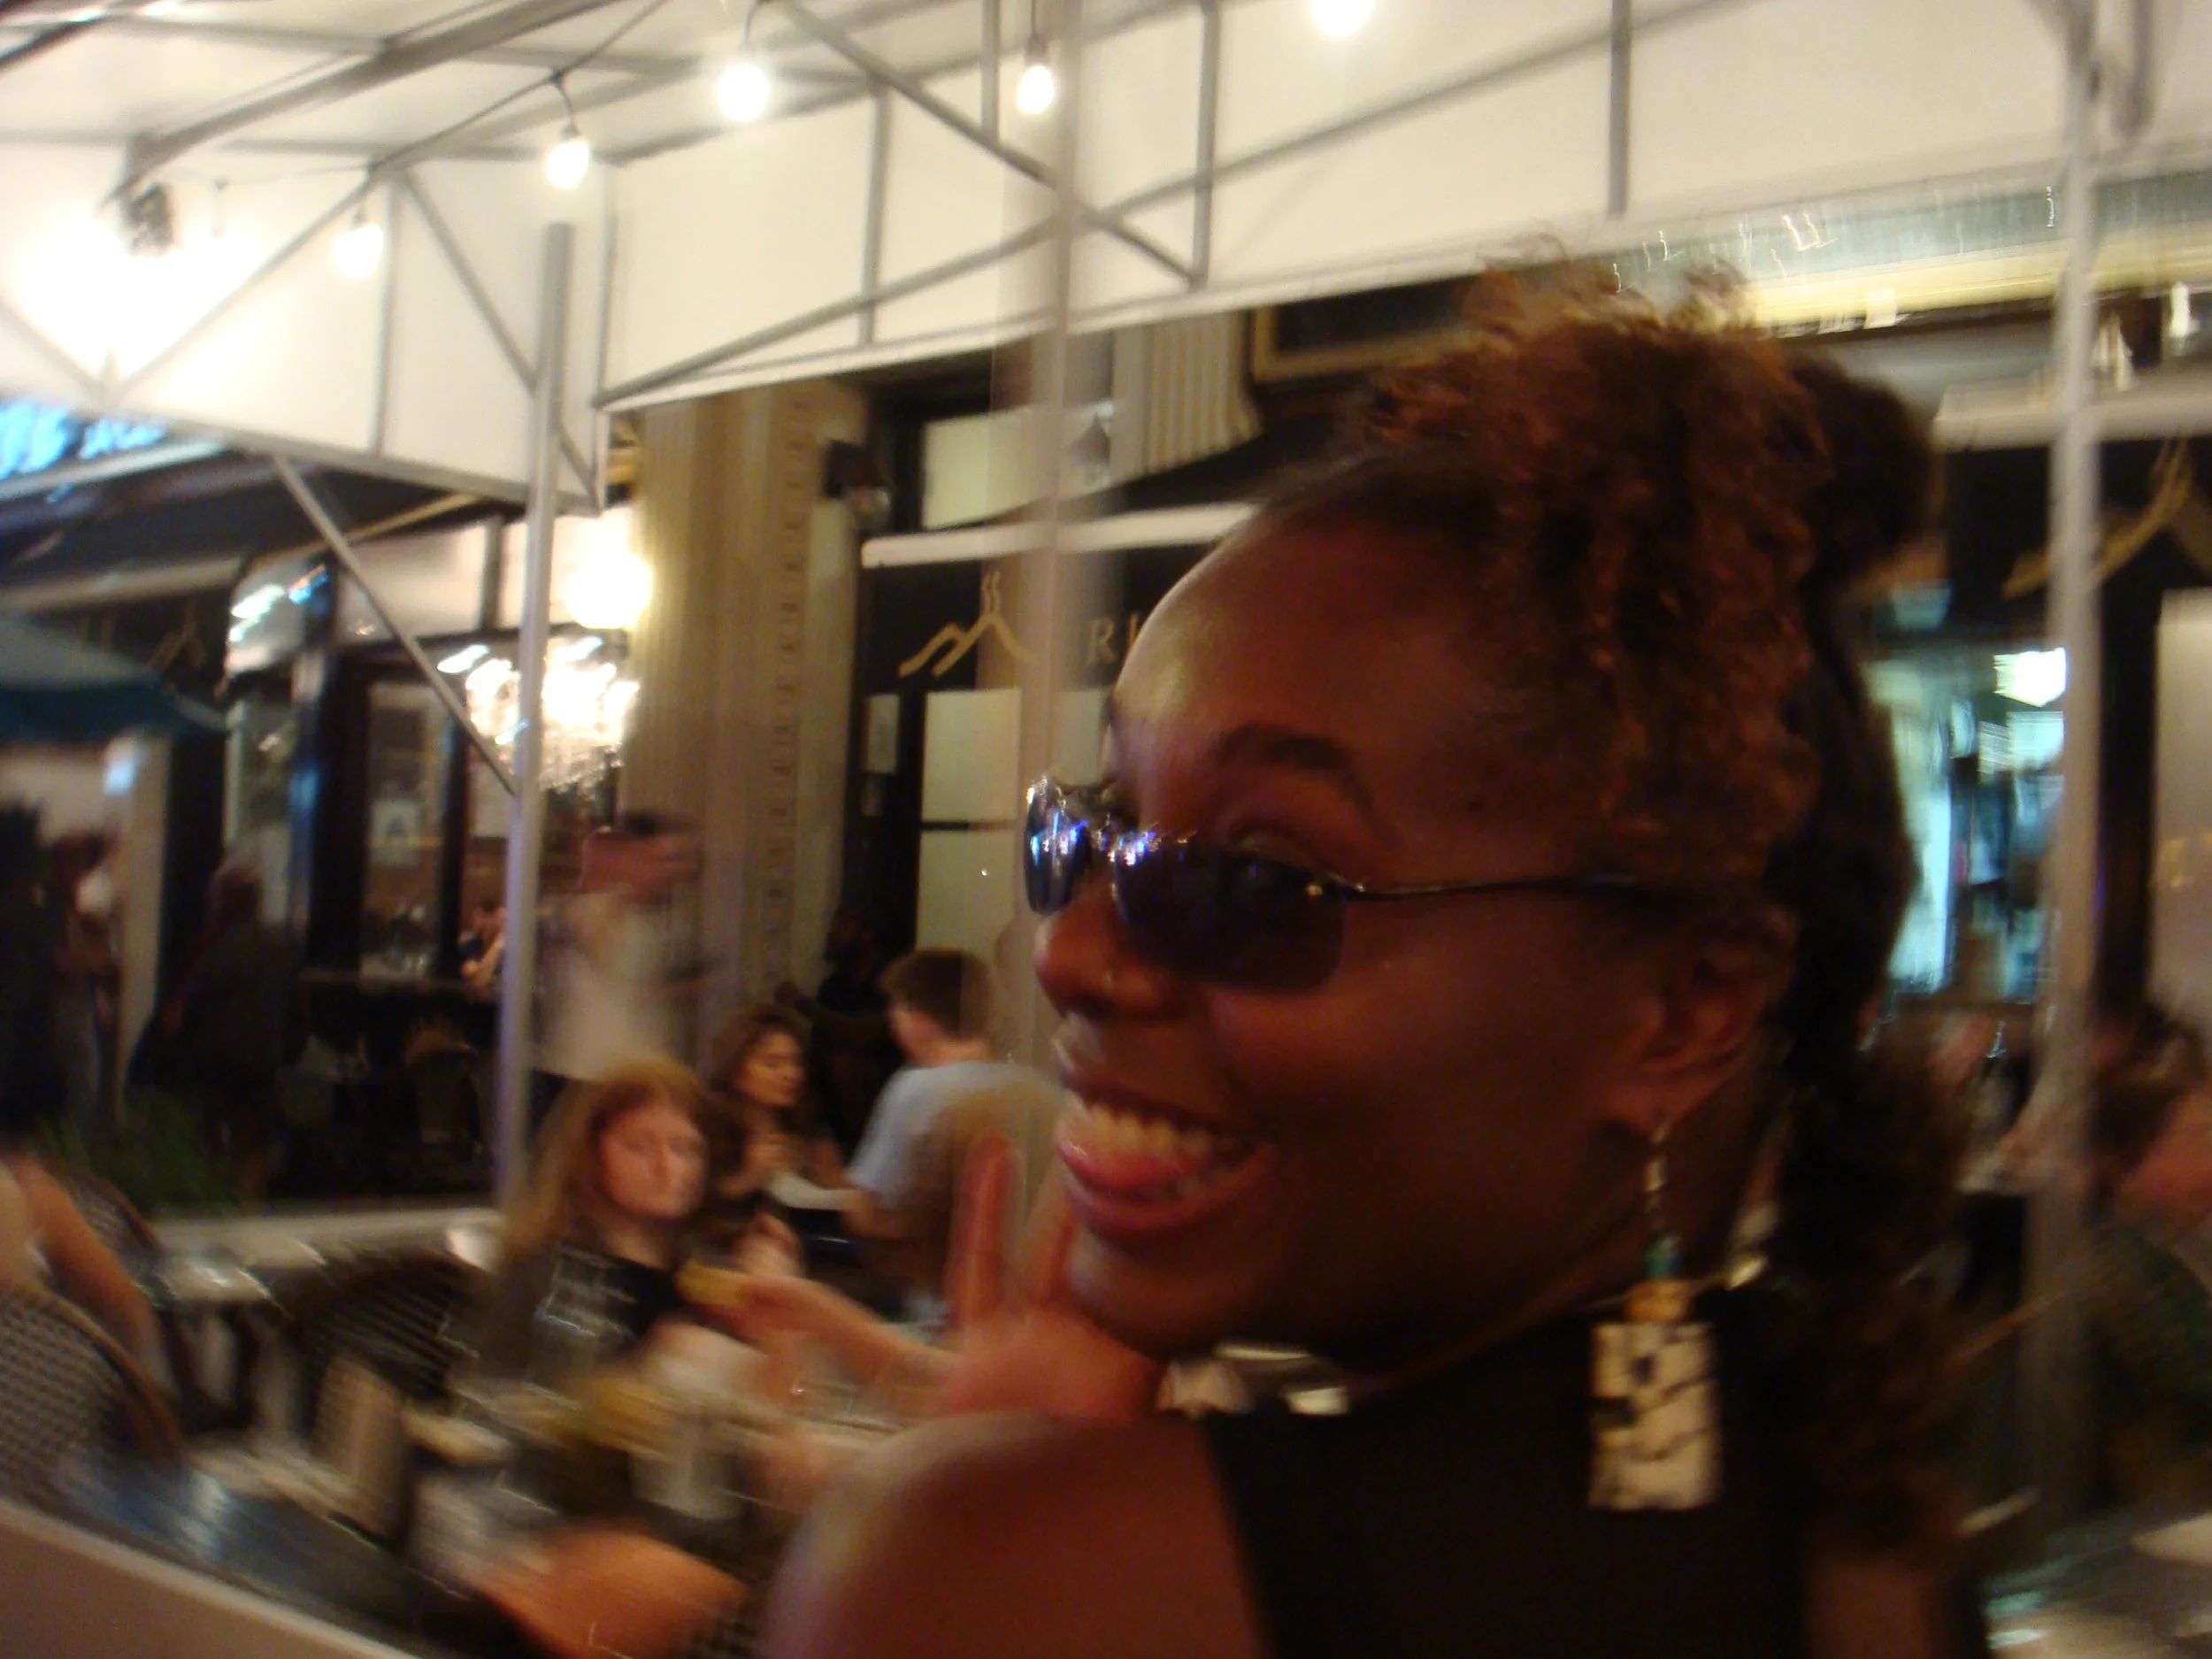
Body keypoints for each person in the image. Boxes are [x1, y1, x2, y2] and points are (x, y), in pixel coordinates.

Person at [762, 295, 1969, 1658]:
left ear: (1682, 1009)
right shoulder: (1869, 1526)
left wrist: (988, 1502)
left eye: (1259, 882)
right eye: (1086, 834)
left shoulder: (990, 1575)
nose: (1073, 949)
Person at [472, 1056, 714, 1377]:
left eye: (684, 1149)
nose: (668, 1169)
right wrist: (652, 1364)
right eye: (639, 1146)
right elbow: (506, 1393)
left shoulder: (694, 1269)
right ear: (591, 1153)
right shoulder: (548, 1268)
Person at [842, 950, 1064, 1290]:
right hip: (1028, 1302)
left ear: (920, 1020)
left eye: (897, 1012)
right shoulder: (1045, 1093)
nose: (892, 1023)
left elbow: (864, 1215)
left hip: (937, 1306)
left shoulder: (916, 1091)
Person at [2082, 1010, 2212, 1504]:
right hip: (2158, 1515)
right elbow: (2198, 1385)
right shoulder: (2123, 1264)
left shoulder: (2166, 1247)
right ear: (2129, 1165)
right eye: (2195, 1139)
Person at [533, 814, 701, 1137]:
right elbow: (603, 954)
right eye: (663, 859)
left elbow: (652, 996)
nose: (673, 871)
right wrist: (626, 889)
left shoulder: (663, 924)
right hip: (584, 1074)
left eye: (678, 861)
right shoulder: (585, 910)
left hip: (634, 1075)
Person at [162, 863, 297, 1199]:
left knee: (208, 1135)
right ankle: (246, 1206)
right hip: (262, 1059)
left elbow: (182, 1008)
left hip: (213, 1059)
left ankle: (210, 1201)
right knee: (254, 1142)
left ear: (223, 900)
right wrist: (288, 1051)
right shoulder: (281, 947)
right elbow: (298, 1007)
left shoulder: (208, 945)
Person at [698, 1003, 846, 1245]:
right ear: (735, 1069)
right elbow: (696, 1205)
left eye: (795, 1062)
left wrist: (823, 1173)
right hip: (729, 1248)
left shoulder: (805, 1121)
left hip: (806, 1245)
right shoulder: (712, 1123)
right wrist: (747, 1179)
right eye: (772, 1063)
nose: (790, 1074)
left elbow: (835, 1184)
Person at [777, 907, 903, 1159]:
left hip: (885, 1086)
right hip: (837, 1101)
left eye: (842, 926)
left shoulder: (890, 980)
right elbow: (819, 1043)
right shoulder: (834, 986)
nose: (831, 934)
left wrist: (802, 1004)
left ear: (866, 934)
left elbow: (865, 1034)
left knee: (843, 1064)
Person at [458, 897, 506, 994]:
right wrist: (498, 944)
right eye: (477, 916)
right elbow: (479, 981)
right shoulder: (469, 947)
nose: (476, 921)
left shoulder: (512, 950)